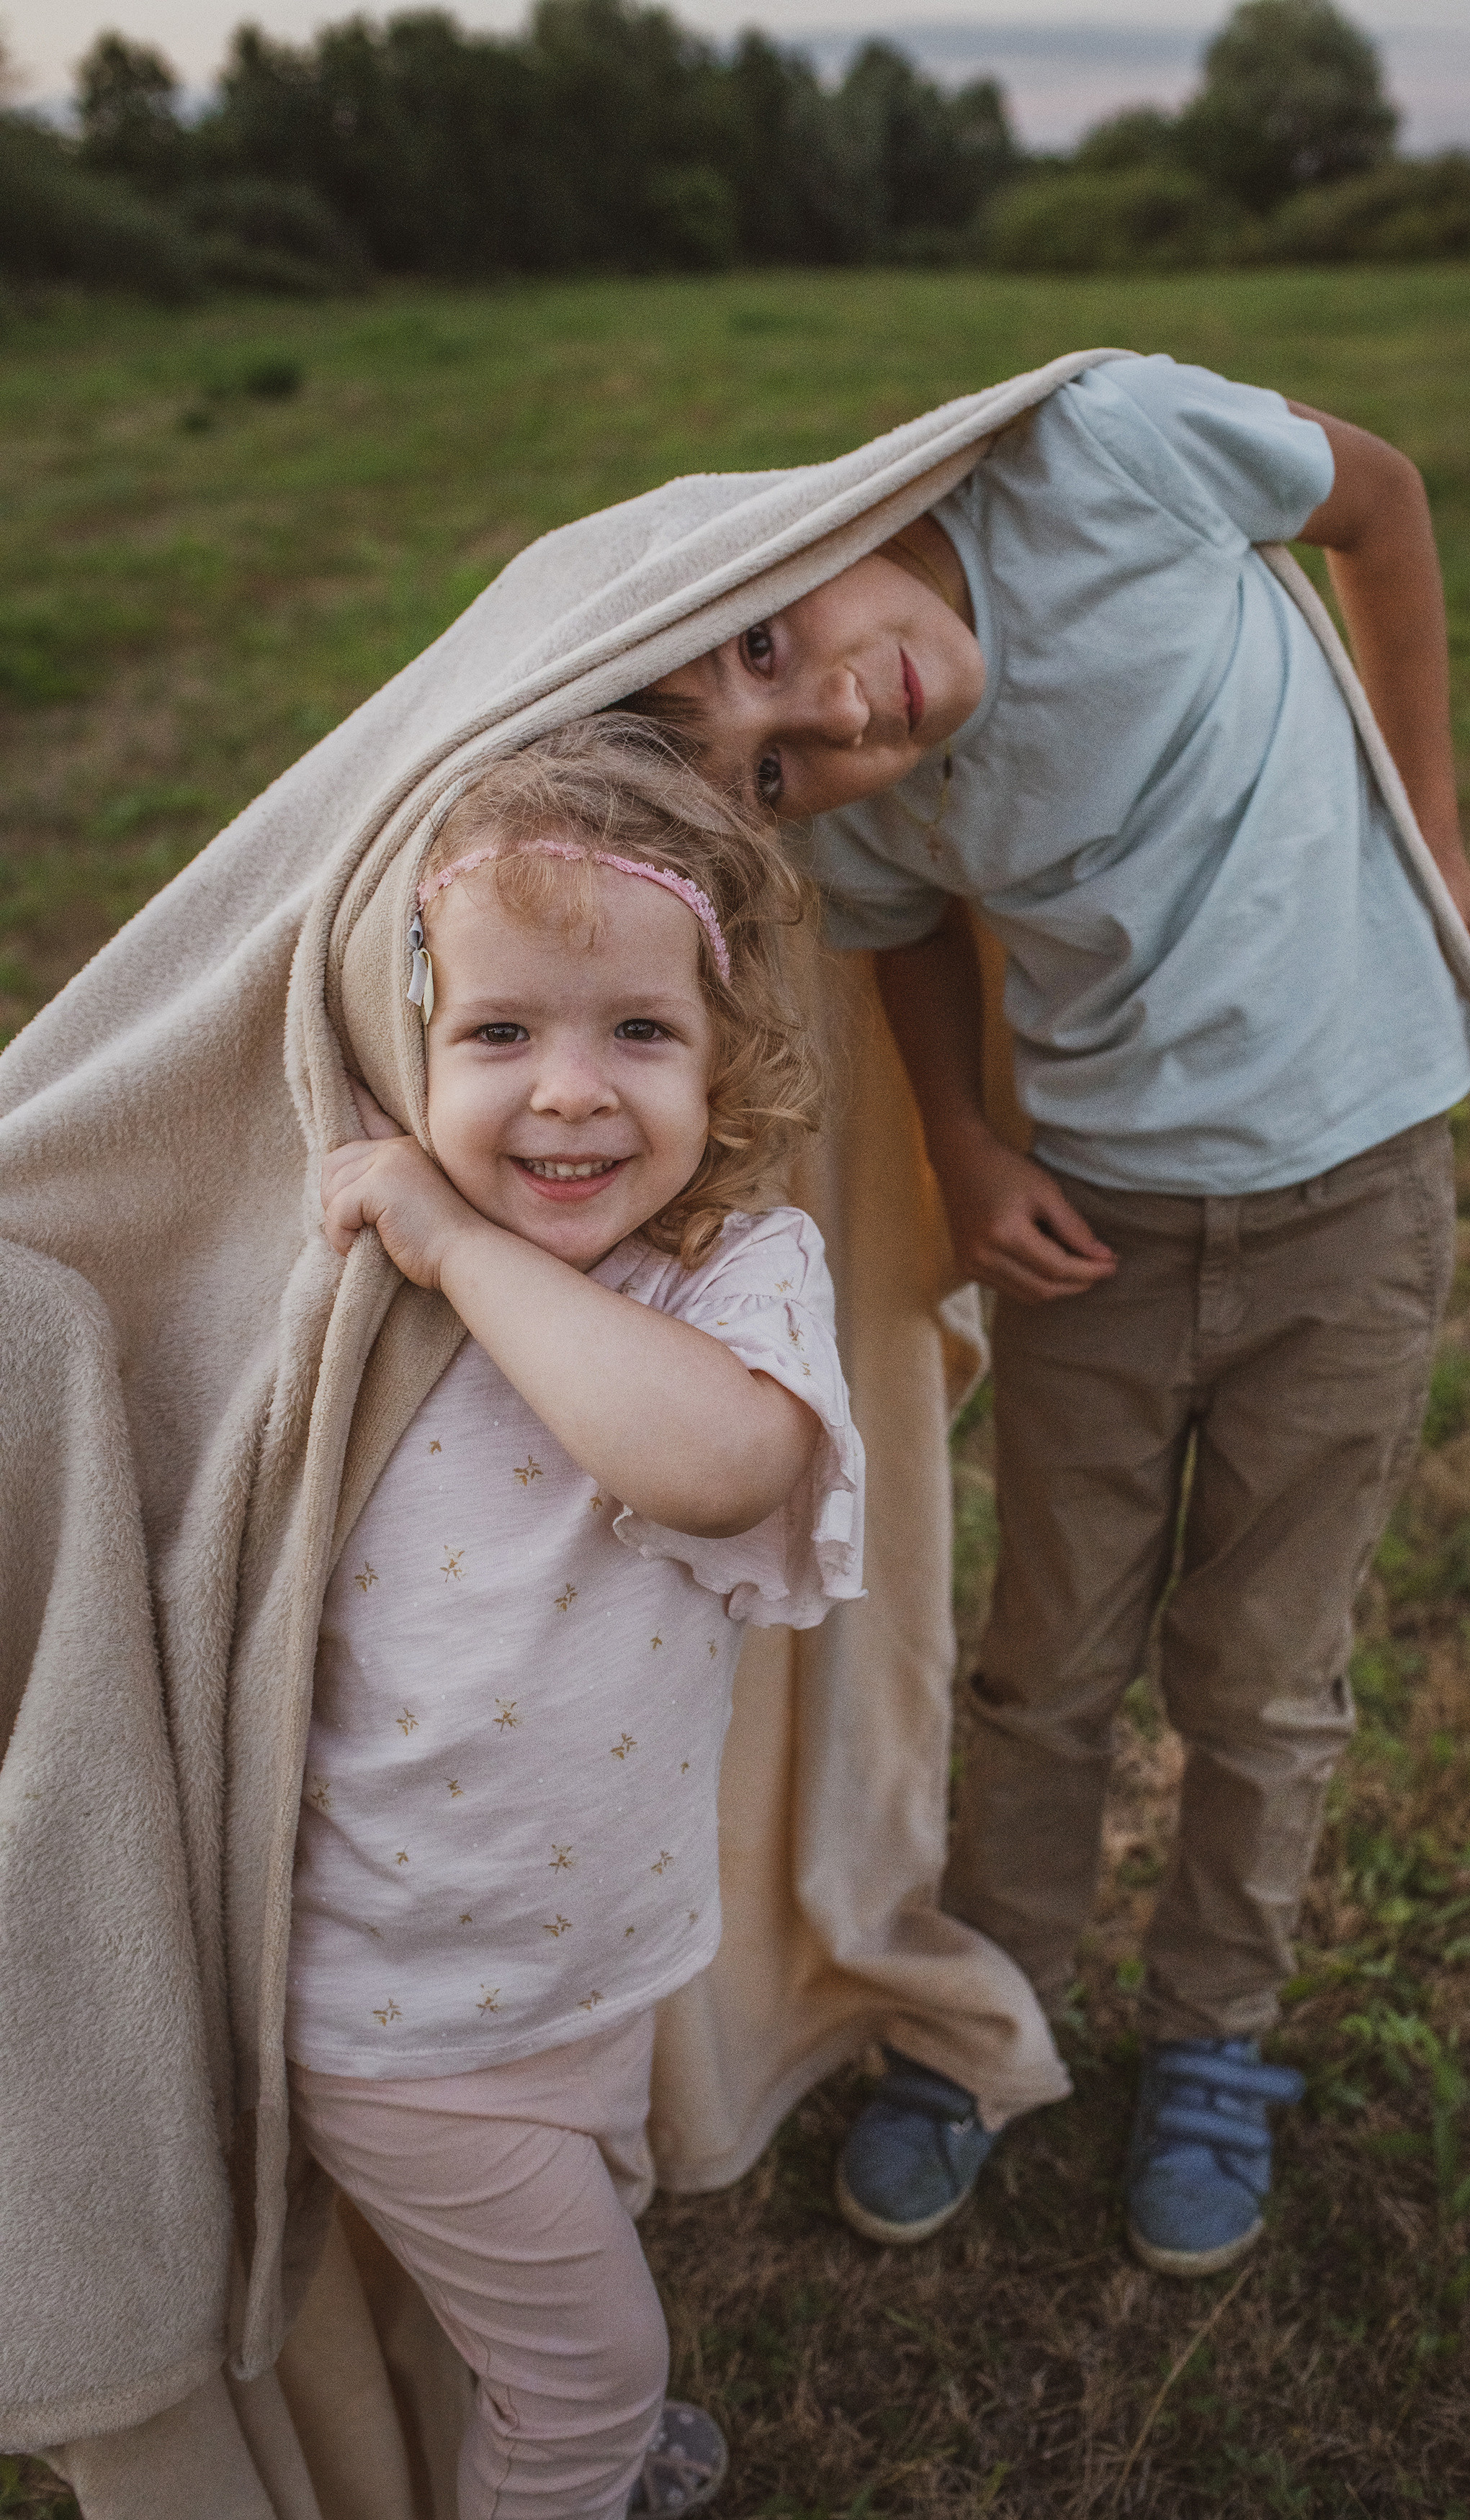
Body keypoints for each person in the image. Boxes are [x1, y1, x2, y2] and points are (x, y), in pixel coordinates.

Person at [644, 354, 1470, 2277]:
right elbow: (888, 940)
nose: (824, 713)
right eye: (769, 756)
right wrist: (959, 1143)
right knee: (1046, 1660)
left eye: (780, 641)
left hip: (1353, 1201)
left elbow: (1375, 503)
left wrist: (1430, 832)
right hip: (1095, 1238)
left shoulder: (1102, 451)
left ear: (834, 521)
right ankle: (986, 2015)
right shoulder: (851, 815)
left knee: (1262, 1674)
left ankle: (1212, 2036)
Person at [290, 721, 864, 2516]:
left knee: (583, 2226)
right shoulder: (353, 1295)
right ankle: (577, 2464)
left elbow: (706, 1462)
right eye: (500, 1032)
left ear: (726, 1055)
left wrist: (466, 1251)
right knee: (592, 2370)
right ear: (409, 1050)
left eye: (639, 1030)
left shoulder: (733, 1269)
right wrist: (426, 1248)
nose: (568, 1093)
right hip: (395, 2005)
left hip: (590, 1952)